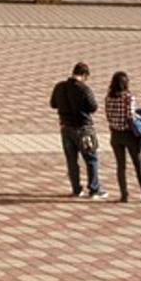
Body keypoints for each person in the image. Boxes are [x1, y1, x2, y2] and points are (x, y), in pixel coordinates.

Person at [48, 61, 104, 199]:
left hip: (66, 128)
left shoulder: (60, 86)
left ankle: (76, 189)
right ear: (84, 75)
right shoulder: (84, 89)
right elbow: (93, 107)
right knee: (91, 158)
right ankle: (94, 189)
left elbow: (53, 104)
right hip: (83, 128)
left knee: (72, 160)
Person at [103, 70, 141, 203]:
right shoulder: (128, 97)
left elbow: (108, 116)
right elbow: (130, 116)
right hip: (129, 135)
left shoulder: (108, 98)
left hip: (115, 135)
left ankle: (124, 195)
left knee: (121, 166)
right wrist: (139, 116)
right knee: (138, 165)